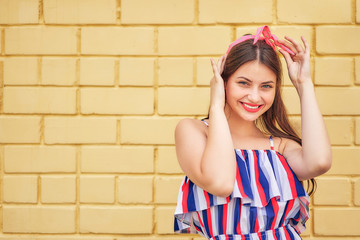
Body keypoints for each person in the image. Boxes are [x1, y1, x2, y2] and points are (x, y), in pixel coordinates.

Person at [173, 26, 332, 240]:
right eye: (243, 83)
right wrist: (216, 105)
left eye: (266, 86)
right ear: (223, 80)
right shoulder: (194, 131)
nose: (255, 97)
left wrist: (304, 84)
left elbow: (319, 163)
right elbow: (220, 183)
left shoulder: (280, 147)